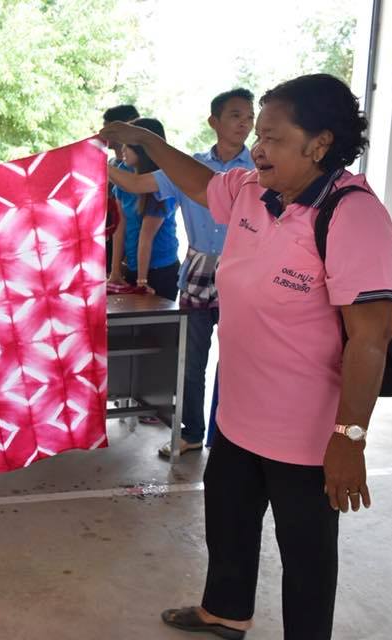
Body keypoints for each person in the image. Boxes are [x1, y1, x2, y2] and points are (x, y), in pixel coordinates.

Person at [101, 74, 392, 639]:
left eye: (274, 138)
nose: (258, 148)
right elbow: (196, 181)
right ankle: (225, 612)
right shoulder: (251, 192)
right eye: (258, 135)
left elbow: (371, 337)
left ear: (319, 144)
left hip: (306, 434)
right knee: (229, 522)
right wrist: (145, 139)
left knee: (306, 551)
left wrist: (350, 437)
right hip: (238, 415)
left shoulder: (351, 214)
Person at [107, 89, 255, 458]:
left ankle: (228, 438)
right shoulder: (188, 167)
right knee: (191, 361)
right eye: (236, 115)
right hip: (198, 273)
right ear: (214, 121)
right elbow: (135, 184)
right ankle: (191, 432)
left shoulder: (261, 167)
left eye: (249, 117)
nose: (245, 123)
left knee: (238, 362)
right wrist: (96, 162)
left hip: (246, 273)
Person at [106, 118, 180, 300]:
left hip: (160, 271)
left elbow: (146, 237)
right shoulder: (123, 173)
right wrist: (115, 271)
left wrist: (141, 281)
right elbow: (120, 226)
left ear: (144, 148)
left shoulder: (164, 181)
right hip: (133, 266)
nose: (123, 149)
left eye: (128, 145)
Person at [101, 105, 140, 274]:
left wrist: (122, 260)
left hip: (132, 252)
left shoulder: (139, 171)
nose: (102, 133)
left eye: (108, 127)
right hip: (108, 243)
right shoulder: (110, 164)